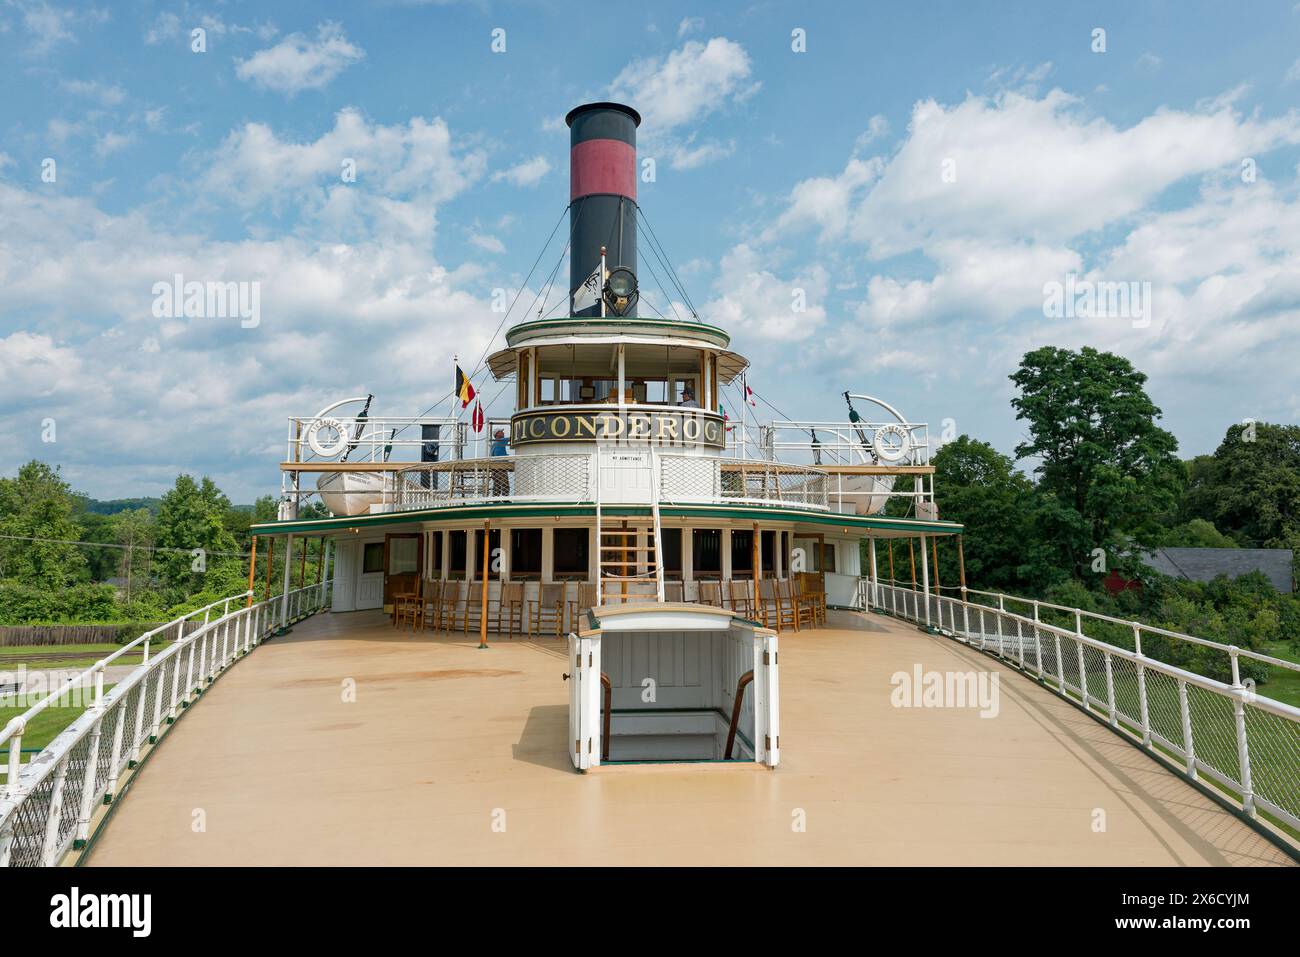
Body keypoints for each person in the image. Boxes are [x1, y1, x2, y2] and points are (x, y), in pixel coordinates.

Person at [490, 429, 509, 497]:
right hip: (501, 467)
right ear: (497, 434)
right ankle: (505, 499)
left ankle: (495, 499)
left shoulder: (493, 444)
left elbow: (491, 456)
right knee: (505, 484)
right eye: (501, 432)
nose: (503, 432)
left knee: (497, 485)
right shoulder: (500, 441)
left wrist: (492, 471)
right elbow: (511, 438)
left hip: (495, 468)